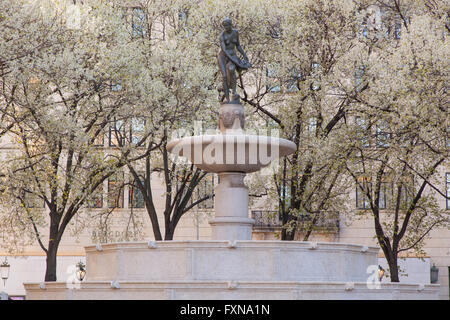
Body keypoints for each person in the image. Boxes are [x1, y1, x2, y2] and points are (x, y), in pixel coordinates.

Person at [217, 17, 251, 102]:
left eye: (227, 25)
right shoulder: (222, 36)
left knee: (231, 69)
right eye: (224, 26)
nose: (226, 28)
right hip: (223, 57)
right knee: (224, 76)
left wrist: (244, 55)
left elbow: (238, 45)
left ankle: (233, 92)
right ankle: (227, 99)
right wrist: (236, 61)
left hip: (232, 55)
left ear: (231, 25)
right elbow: (224, 50)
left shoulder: (235, 33)